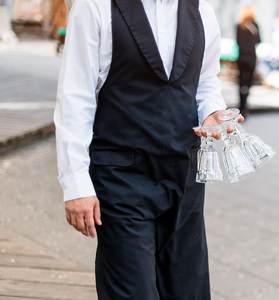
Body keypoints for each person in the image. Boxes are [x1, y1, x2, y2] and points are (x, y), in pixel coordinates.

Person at [54, 0, 242, 298]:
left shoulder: (202, 9)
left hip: (185, 179)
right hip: (121, 180)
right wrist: (75, 183)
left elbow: (205, 80)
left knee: (188, 291)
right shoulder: (95, 7)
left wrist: (211, 112)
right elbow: (75, 98)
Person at [236, 6, 260, 117]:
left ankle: (241, 106)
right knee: (248, 82)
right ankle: (244, 107)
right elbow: (258, 41)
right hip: (250, 57)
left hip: (241, 57)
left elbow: (238, 42)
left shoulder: (239, 26)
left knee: (242, 82)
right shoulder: (254, 26)